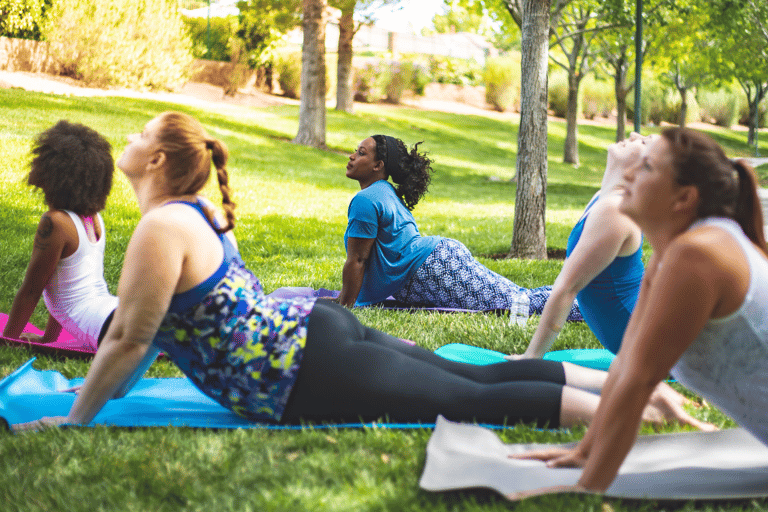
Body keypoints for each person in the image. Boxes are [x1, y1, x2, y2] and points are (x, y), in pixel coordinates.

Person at [11, 113, 711, 432]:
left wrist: (76, 418)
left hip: (306, 364)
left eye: (139, 137)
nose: (126, 144)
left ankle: (640, 407)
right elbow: (143, 338)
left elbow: (132, 339)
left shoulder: (164, 225)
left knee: (470, 399)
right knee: (475, 379)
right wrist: (93, 401)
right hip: (318, 338)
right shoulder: (191, 215)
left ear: (158, 161)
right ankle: (638, 392)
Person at [511, 127, 768, 497]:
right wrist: (585, 452)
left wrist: (589, 488)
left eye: (646, 167)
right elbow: (625, 365)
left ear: (684, 198)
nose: (628, 173)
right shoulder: (673, 253)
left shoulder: (697, 255)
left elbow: (639, 381)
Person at [339, 135, 581, 322]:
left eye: (360, 153)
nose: (351, 156)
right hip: (434, 263)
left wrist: (344, 308)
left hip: (432, 268)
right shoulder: (384, 192)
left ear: (377, 165)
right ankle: (583, 297)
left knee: (517, 304)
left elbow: (358, 260)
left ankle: (592, 308)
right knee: (518, 297)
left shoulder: (366, 199)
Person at [509, 133, 648, 359]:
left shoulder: (615, 211)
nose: (633, 134)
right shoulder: (604, 198)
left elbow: (566, 288)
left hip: (652, 345)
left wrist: (531, 358)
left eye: (643, 142)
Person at [3, 120, 118, 351]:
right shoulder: (93, 218)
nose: (34, 163)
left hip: (106, 326)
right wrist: (48, 338)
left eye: (41, 159)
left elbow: (32, 290)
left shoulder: (55, 222)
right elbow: (65, 288)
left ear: (56, 173)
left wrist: (8, 340)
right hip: (112, 311)